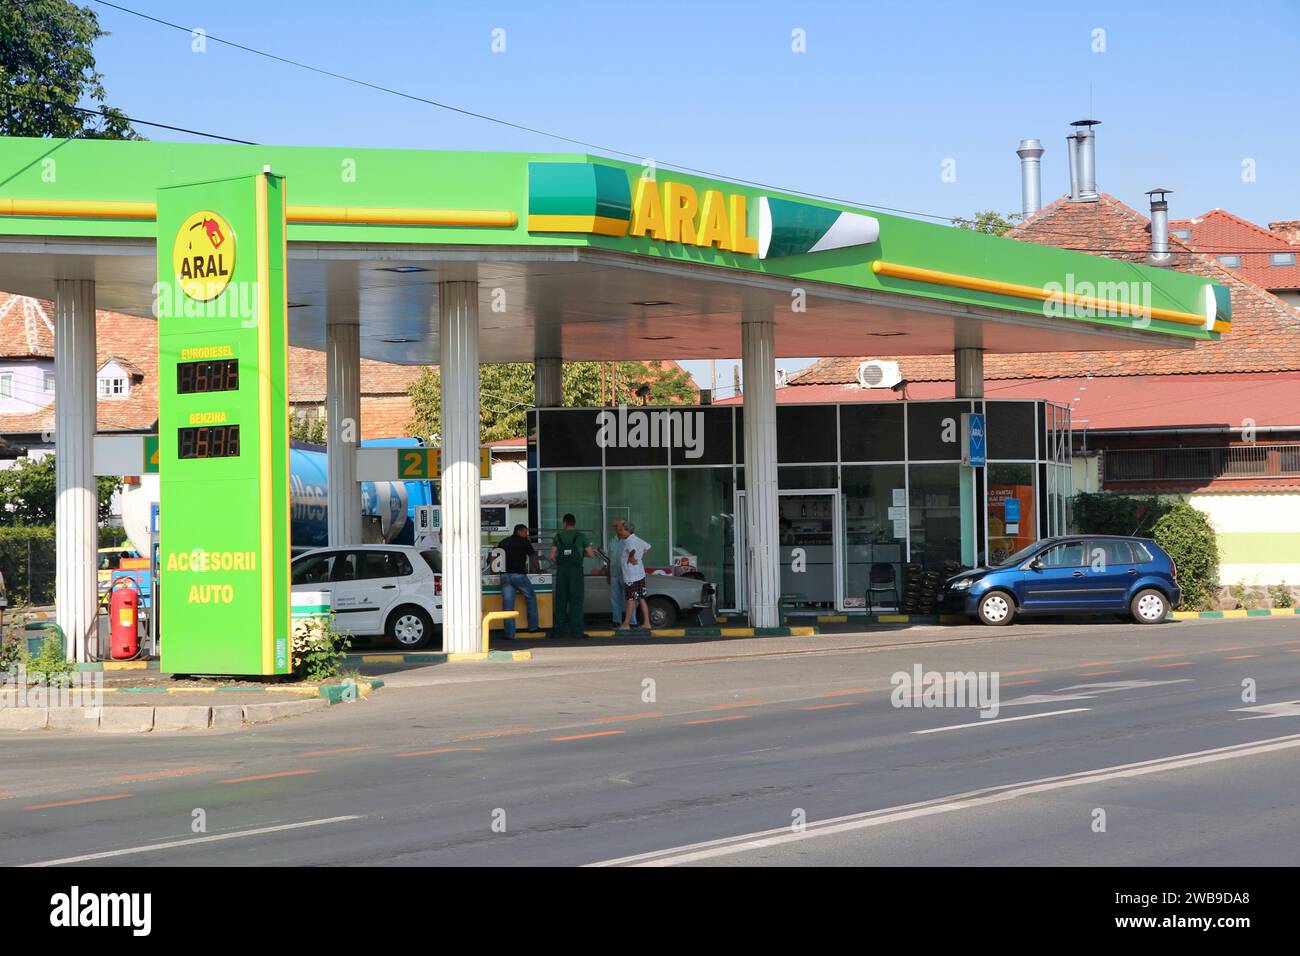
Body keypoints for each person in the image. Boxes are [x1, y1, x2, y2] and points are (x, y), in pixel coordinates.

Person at [549, 513, 594, 638]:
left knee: (561, 601)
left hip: (562, 572)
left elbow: (552, 556)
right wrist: (580, 554)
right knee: (576, 601)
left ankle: (558, 631)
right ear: (574, 523)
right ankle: (577, 632)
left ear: (564, 523)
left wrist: (558, 562)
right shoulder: (581, 537)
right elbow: (591, 554)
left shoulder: (558, 536)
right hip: (576, 572)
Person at [495, 524, 540, 640]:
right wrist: (538, 570)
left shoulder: (504, 542)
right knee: (530, 597)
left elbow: (492, 558)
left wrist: (493, 571)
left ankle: (509, 634)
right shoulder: (524, 542)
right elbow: (533, 557)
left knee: (508, 604)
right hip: (518, 575)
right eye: (525, 532)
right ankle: (533, 627)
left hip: (504, 576)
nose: (527, 534)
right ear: (519, 531)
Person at [616, 520, 652, 633]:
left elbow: (632, 550)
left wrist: (631, 557)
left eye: (621, 530)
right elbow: (647, 547)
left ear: (627, 530)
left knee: (630, 599)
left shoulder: (628, 541)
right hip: (639, 574)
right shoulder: (637, 539)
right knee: (641, 598)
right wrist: (639, 556)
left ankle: (626, 624)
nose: (619, 532)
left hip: (631, 576)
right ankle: (647, 623)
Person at [607, 516, 638, 628]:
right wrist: (608, 574)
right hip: (614, 573)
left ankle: (632, 621)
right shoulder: (612, 541)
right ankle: (616, 620)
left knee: (630, 598)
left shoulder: (629, 540)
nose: (615, 528)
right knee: (615, 598)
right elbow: (609, 558)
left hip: (627, 574)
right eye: (614, 526)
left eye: (617, 526)